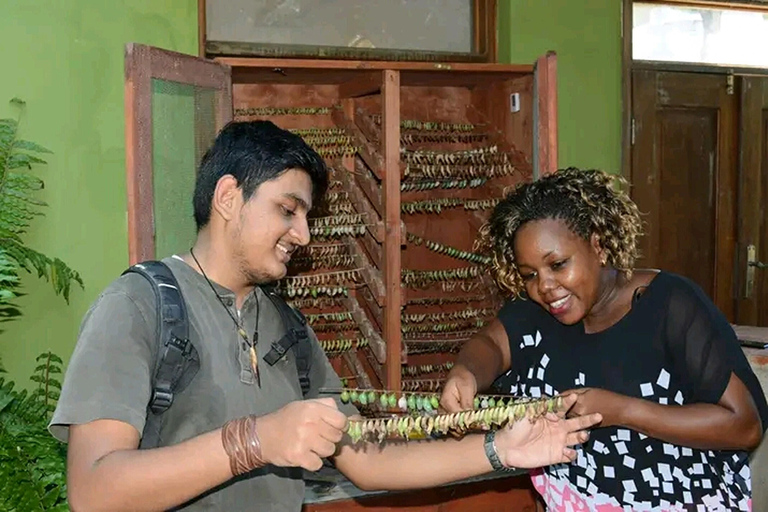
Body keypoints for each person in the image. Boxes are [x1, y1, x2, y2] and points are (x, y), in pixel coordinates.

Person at [49, 121, 600, 512]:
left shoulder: (290, 330)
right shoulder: (139, 306)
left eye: (307, 216)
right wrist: (254, 441)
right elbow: (94, 491)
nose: (304, 234)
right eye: (287, 210)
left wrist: (500, 449)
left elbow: (367, 459)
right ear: (226, 197)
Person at [440, 167, 768, 511]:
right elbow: (490, 345)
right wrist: (466, 372)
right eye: (530, 275)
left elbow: (744, 426)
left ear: (597, 245)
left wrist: (623, 411)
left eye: (559, 264)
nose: (545, 286)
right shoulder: (536, 313)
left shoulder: (669, 306)